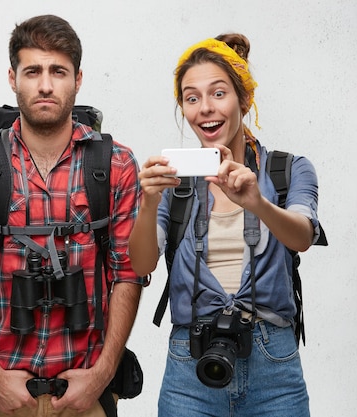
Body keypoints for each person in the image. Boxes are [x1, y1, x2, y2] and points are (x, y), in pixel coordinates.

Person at [0, 15, 145, 417]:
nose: (45, 85)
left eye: (58, 71)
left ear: (78, 79)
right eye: (33, 71)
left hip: (86, 390)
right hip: (3, 392)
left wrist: (101, 375)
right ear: (12, 78)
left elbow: (128, 274)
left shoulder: (115, 164)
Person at [129, 34, 324, 417]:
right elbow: (141, 265)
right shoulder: (174, 182)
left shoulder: (289, 169)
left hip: (274, 366)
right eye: (191, 97)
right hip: (190, 362)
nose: (205, 109)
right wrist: (148, 203)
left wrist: (256, 203)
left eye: (218, 94)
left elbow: (302, 236)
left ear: (244, 99)